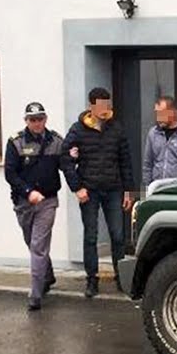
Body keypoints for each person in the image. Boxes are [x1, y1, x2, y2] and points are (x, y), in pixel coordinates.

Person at [63, 87, 134, 298]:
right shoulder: (78, 130)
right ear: (91, 106)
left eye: (107, 105)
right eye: (101, 105)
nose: (105, 109)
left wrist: (128, 191)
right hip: (89, 191)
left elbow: (125, 161)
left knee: (118, 235)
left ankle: (121, 278)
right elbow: (65, 159)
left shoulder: (116, 128)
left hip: (113, 189)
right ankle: (92, 279)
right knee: (91, 236)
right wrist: (77, 188)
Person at [4, 102, 70, 311]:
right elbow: (10, 173)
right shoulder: (16, 142)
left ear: (45, 119)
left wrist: (77, 180)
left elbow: (67, 166)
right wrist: (28, 192)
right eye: (32, 120)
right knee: (31, 242)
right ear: (26, 121)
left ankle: (35, 294)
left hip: (47, 201)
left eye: (40, 119)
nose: (37, 123)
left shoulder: (56, 141)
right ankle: (47, 276)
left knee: (38, 245)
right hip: (23, 203)